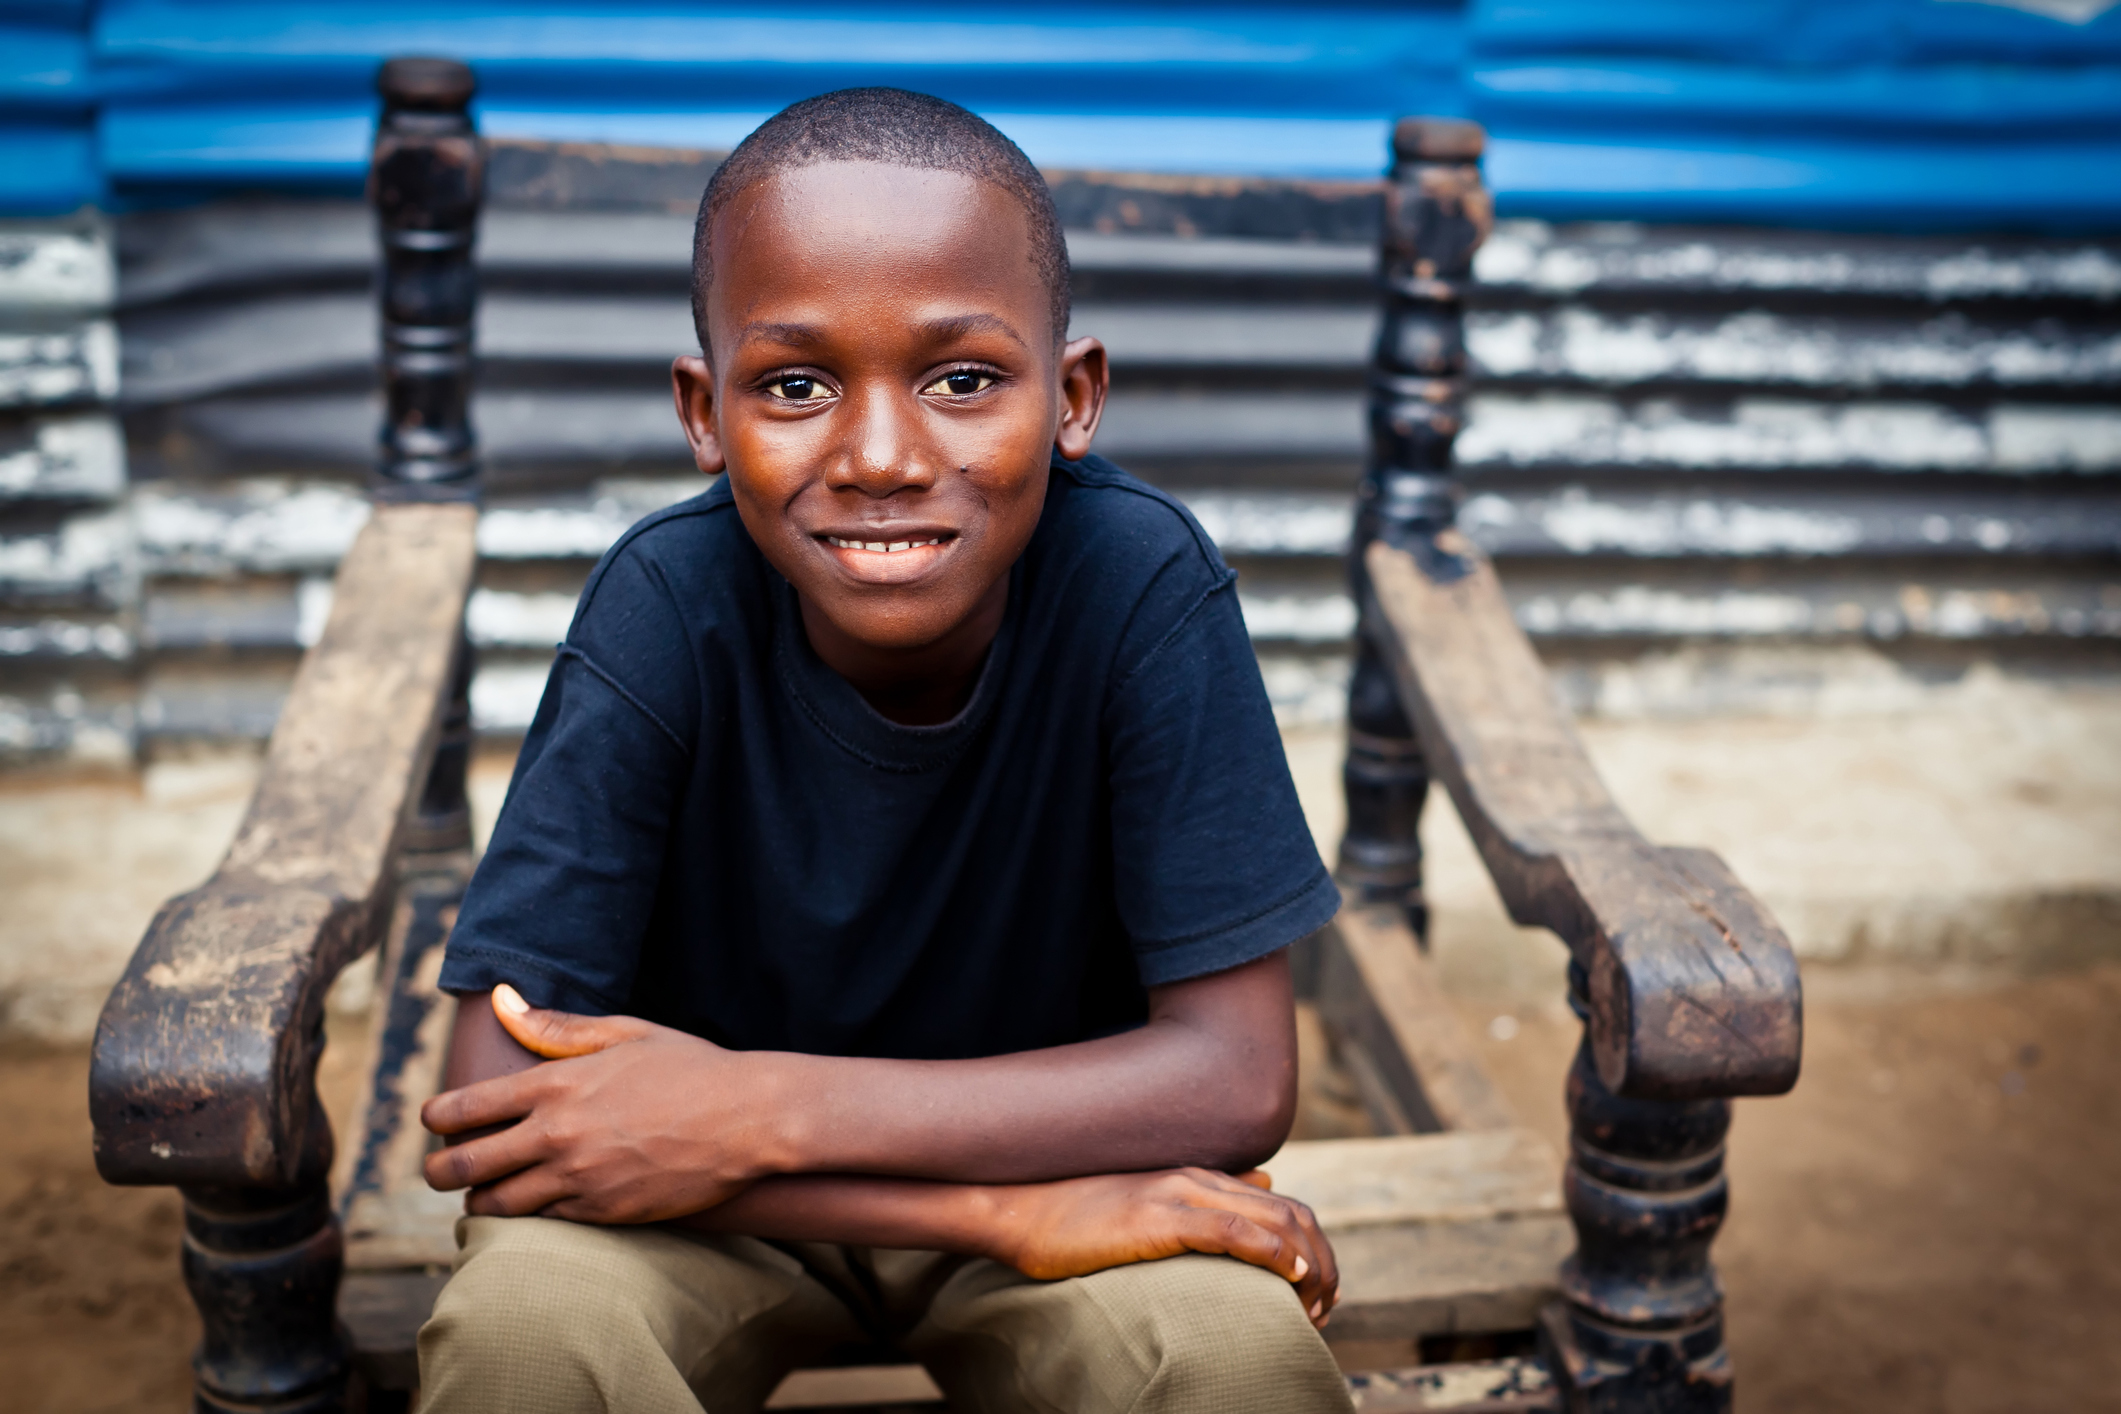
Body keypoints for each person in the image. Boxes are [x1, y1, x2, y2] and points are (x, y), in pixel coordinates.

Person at [414, 87, 1352, 1414]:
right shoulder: (665, 602)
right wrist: (970, 1203)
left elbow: (1236, 1073)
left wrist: (761, 1106)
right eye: (793, 384)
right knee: (524, 1336)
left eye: (960, 378)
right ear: (703, 411)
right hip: (694, 1205)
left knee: (1227, 1357)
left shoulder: (1139, 584)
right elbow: (491, 1104)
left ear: (1074, 395)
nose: (879, 455)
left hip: (1057, 1180)